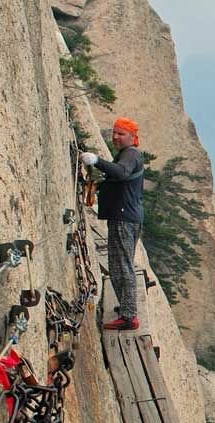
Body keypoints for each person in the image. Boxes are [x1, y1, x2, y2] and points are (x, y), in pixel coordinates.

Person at [80, 118, 144, 330]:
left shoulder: (131, 154)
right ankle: (127, 308)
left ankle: (129, 317)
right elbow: (119, 179)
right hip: (123, 217)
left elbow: (121, 172)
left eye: (121, 134)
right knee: (117, 264)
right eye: (115, 133)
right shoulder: (128, 154)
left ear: (132, 138)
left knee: (123, 266)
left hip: (125, 219)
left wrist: (96, 160)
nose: (116, 137)